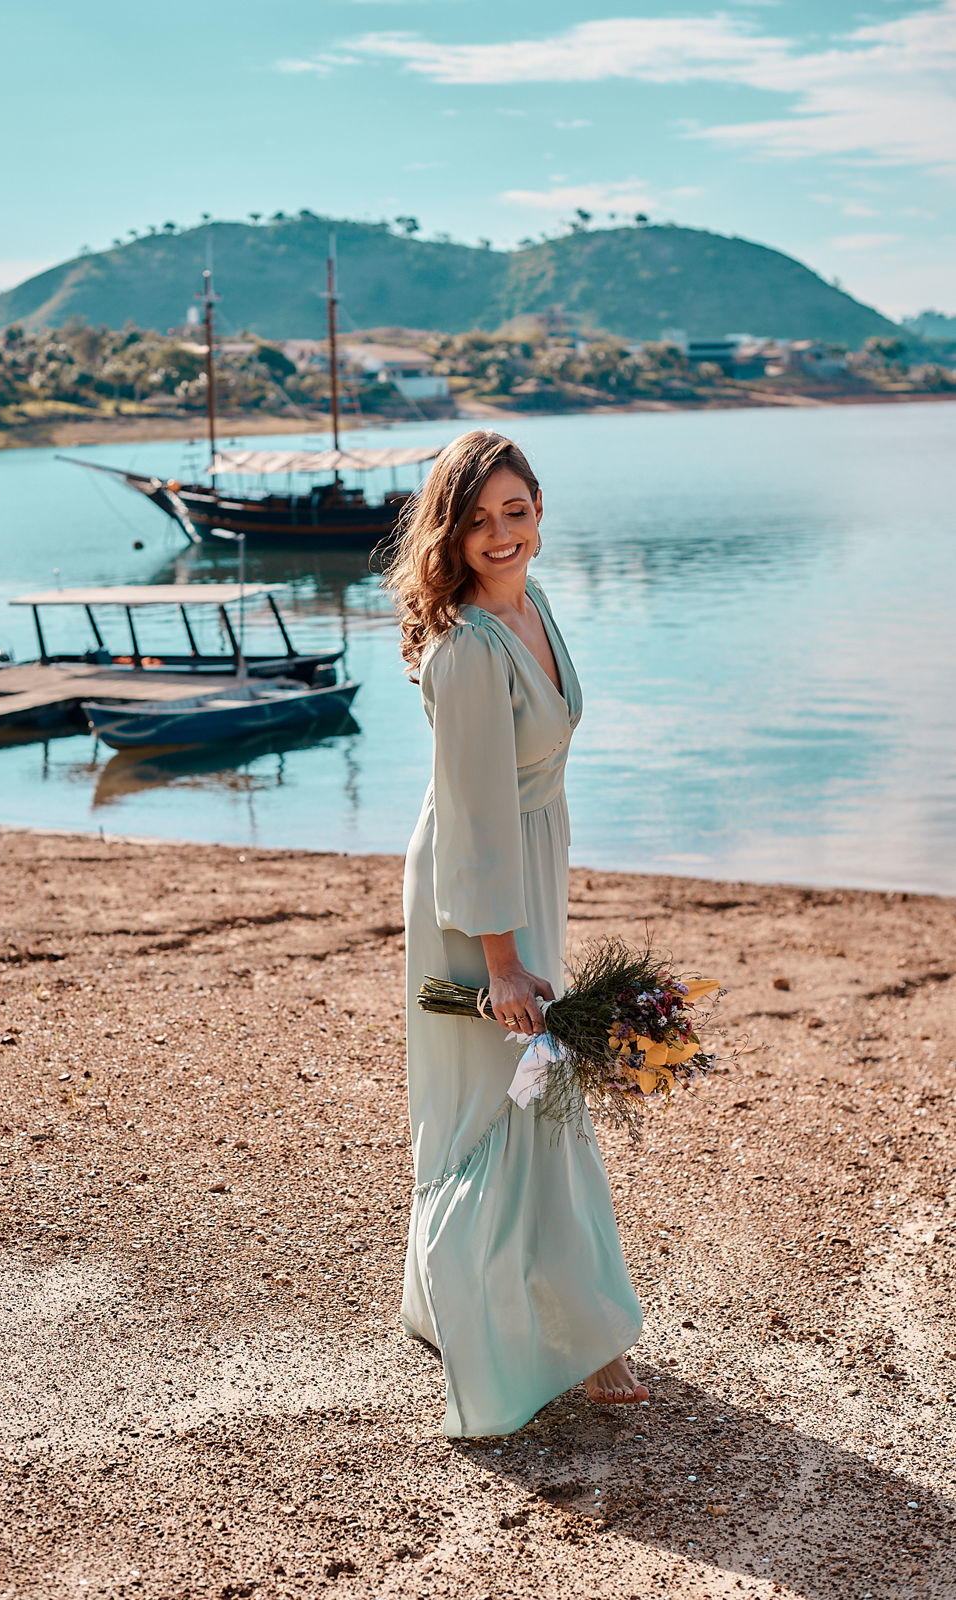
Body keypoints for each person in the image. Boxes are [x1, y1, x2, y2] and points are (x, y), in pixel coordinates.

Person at [382, 430, 648, 1438]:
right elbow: (473, 815)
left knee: (520, 1099)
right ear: (451, 529)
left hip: (526, 878)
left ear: (541, 509)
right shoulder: (464, 647)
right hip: (475, 907)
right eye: (481, 518)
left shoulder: (531, 608)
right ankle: (556, 1343)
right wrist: (499, 960)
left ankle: (486, 1312)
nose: (503, 533)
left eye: (518, 511)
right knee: (510, 1106)